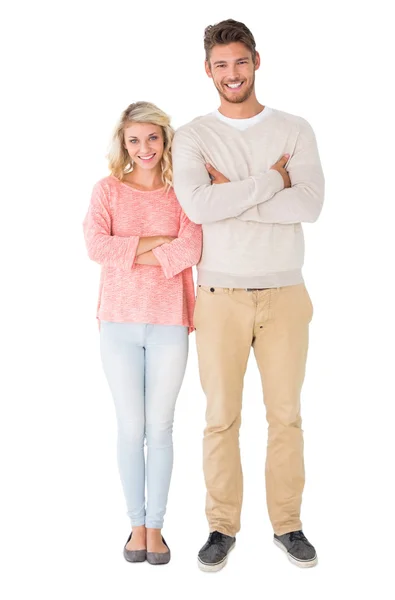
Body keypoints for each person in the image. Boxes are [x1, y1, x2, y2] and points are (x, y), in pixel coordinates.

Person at [172, 19, 324, 571]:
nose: (231, 74)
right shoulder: (191, 135)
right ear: (207, 70)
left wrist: (231, 195)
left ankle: (289, 525)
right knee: (220, 417)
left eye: (240, 62)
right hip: (220, 295)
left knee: (286, 415)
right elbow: (198, 208)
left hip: (285, 291)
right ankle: (221, 528)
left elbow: (309, 205)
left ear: (256, 61)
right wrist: (272, 182)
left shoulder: (294, 129)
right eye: (220, 65)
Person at [83, 101, 202, 565]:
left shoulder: (182, 194)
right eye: (134, 139)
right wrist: (156, 243)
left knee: (161, 427)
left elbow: (191, 248)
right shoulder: (107, 190)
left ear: (165, 139)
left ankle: (157, 528)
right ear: (123, 144)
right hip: (117, 323)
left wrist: (128, 249)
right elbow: (96, 246)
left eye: (152, 137)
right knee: (131, 427)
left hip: (171, 321)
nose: (144, 147)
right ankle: (135, 528)